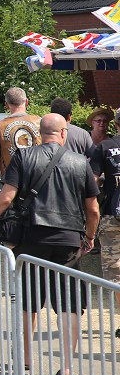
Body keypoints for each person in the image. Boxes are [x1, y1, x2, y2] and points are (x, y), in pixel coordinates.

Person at [0, 114, 99, 375]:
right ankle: (67, 368)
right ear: (63, 132)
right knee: (69, 306)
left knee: (28, 302)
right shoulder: (80, 163)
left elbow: (7, 196)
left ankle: (24, 360)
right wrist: (89, 237)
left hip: (31, 237)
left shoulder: (23, 157)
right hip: (68, 240)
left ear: (40, 134)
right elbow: (92, 209)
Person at [88, 111, 120, 340]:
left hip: (112, 216)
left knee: (116, 273)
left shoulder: (105, 147)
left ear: (115, 124)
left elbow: (92, 181)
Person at [0, 87, 40, 206]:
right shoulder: (39, 122)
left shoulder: (0, 126)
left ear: (6, 104)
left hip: (11, 183)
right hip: (37, 179)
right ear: (27, 101)